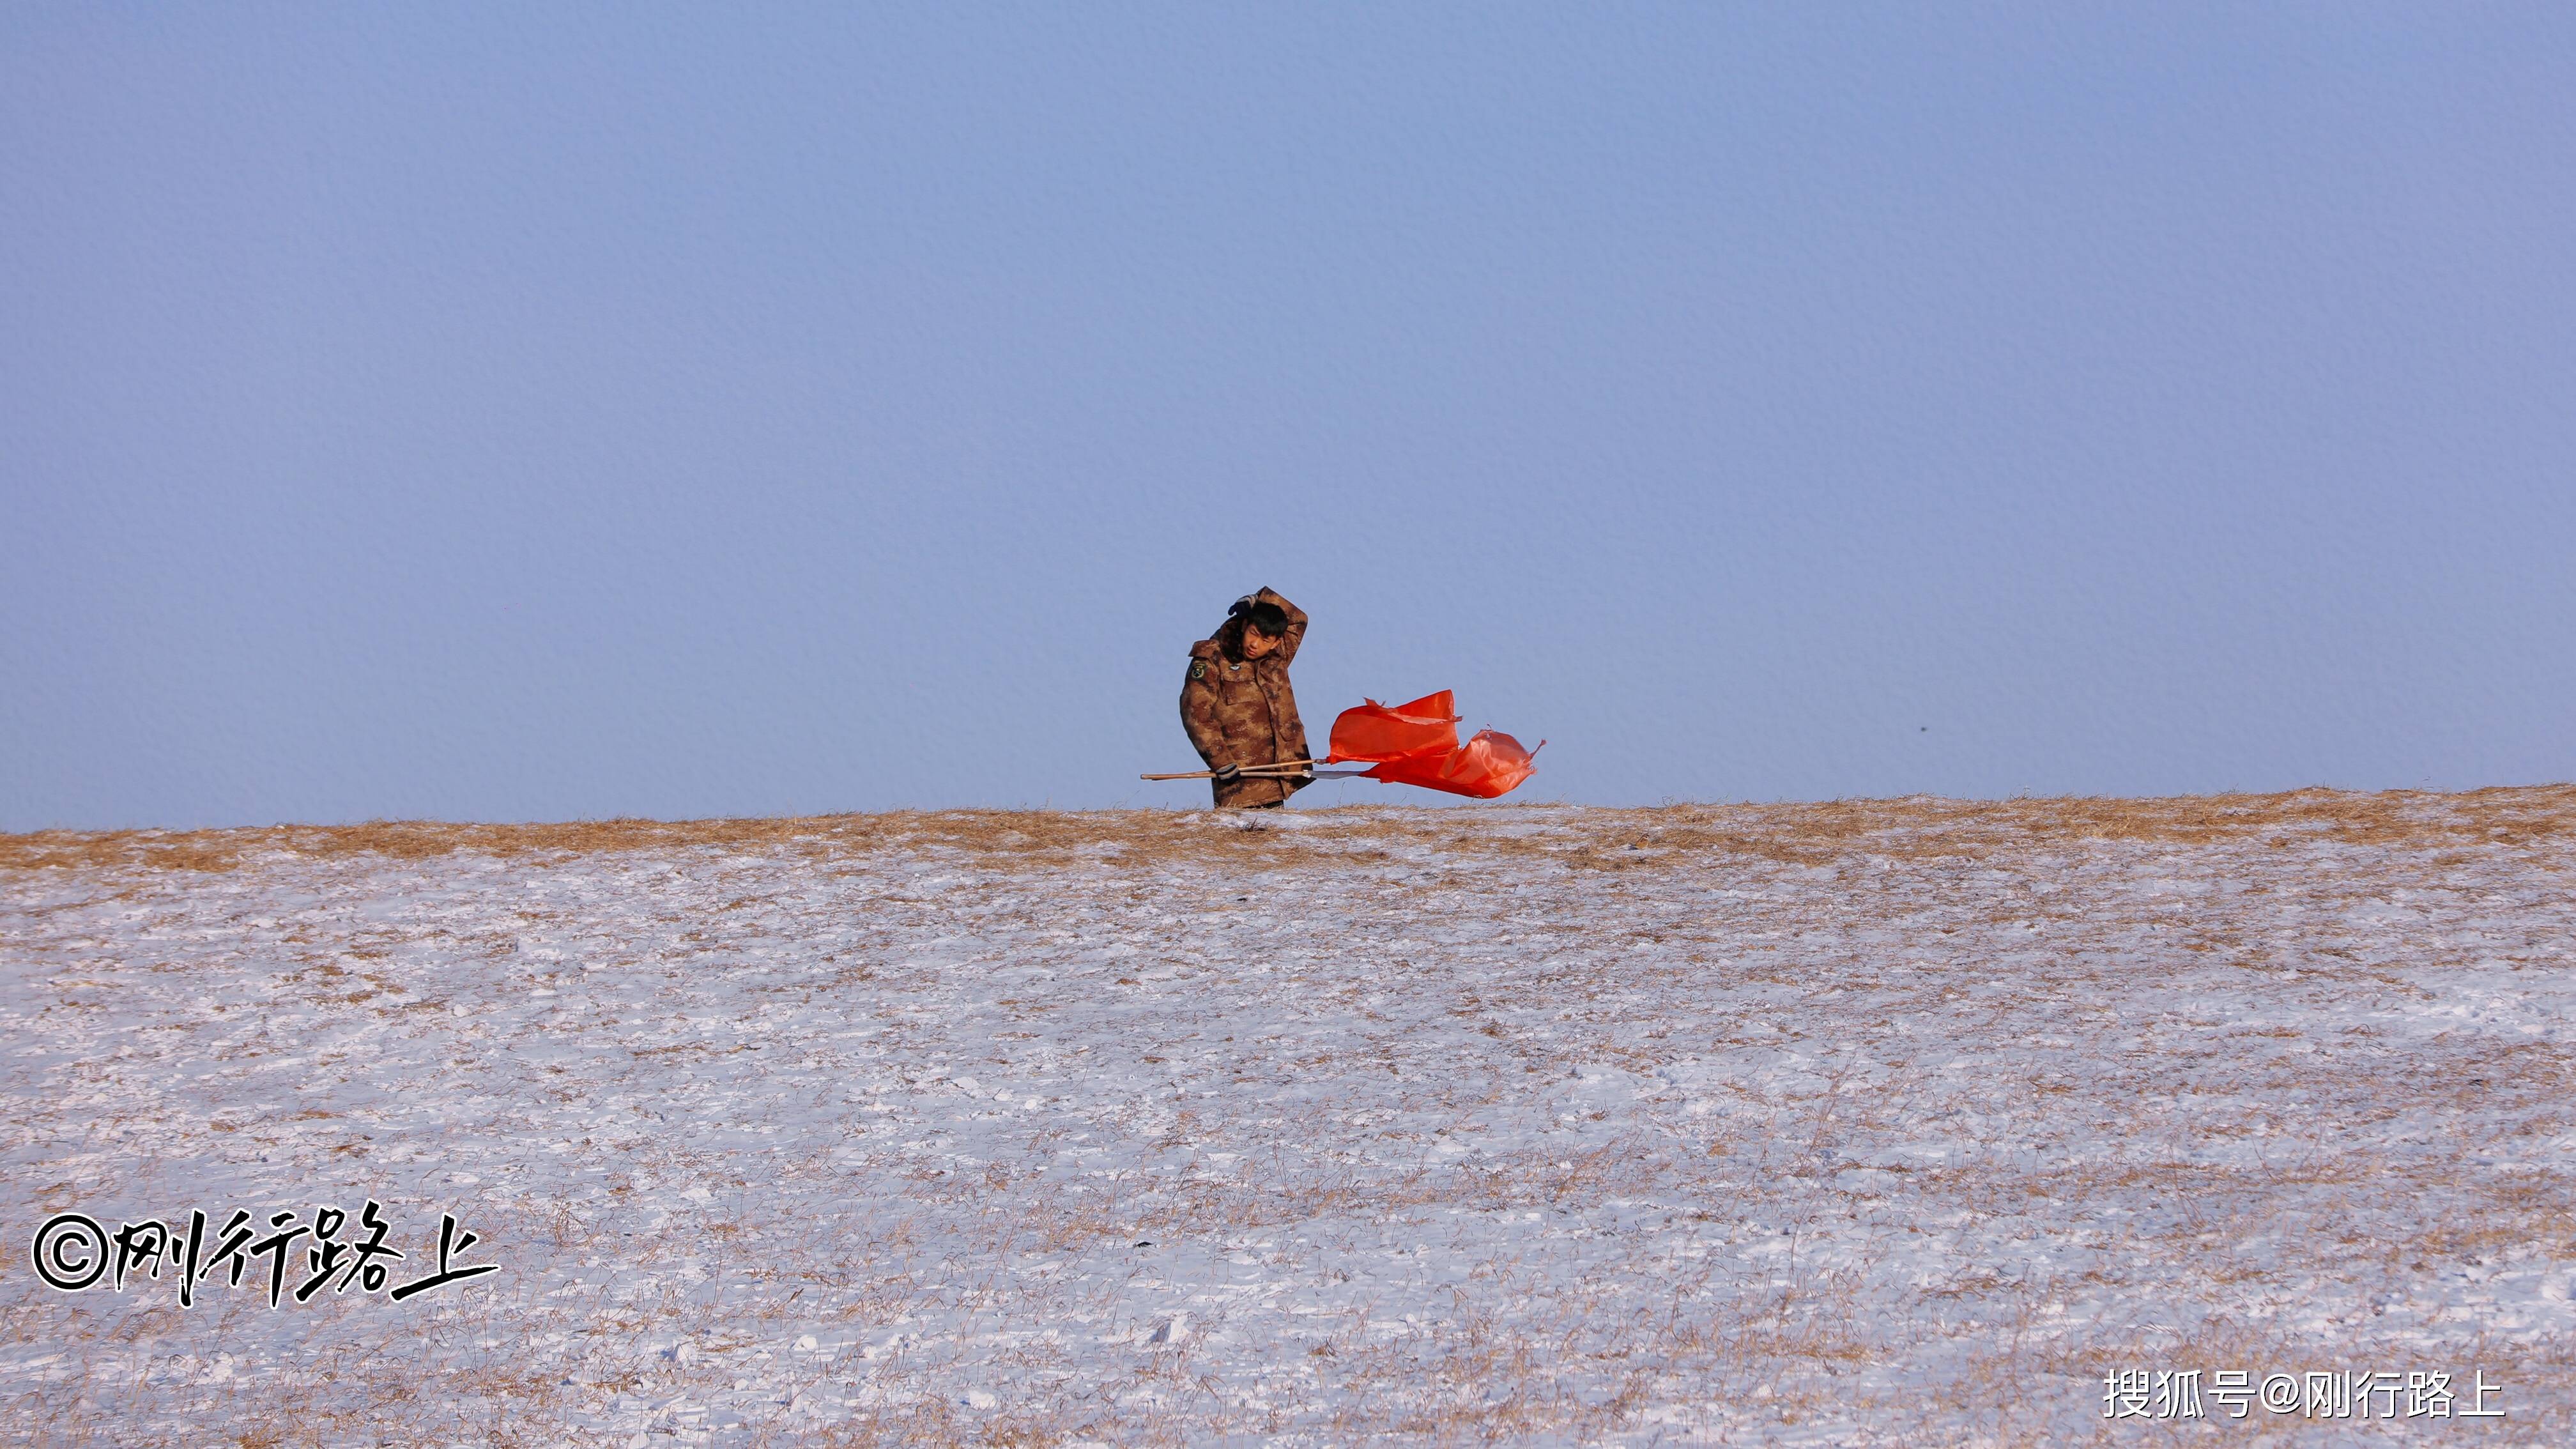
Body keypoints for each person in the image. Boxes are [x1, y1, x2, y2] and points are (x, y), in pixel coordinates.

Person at [1179, 587, 1312, 809]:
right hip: (1238, 779)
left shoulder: (1278, 656)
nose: (1255, 644)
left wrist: (1259, 599)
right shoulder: (1212, 658)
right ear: (1244, 626)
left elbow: (1298, 619)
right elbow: (1195, 713)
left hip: (1278, 775)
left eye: (1265, 639)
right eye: (1253, 633)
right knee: (1239, 843)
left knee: (1275, 841)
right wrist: (1220, 761)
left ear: (1276, 642)